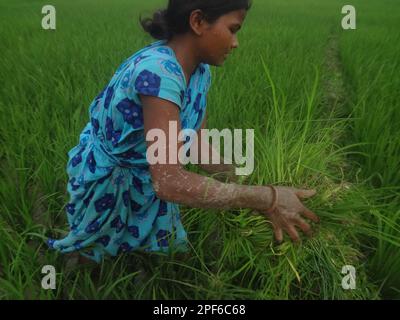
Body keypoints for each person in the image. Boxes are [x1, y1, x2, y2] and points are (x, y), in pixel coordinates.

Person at [47, 0, 319, 265]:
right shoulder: (158, 75)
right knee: (96, 263)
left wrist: (241, 181)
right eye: (233, 29)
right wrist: (267, 197)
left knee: (150, 264)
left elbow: (193, 140)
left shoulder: (199, 70)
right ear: (198, 21)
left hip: (146, 176)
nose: (235, 43)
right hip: (111, 184)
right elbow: (168, 182)